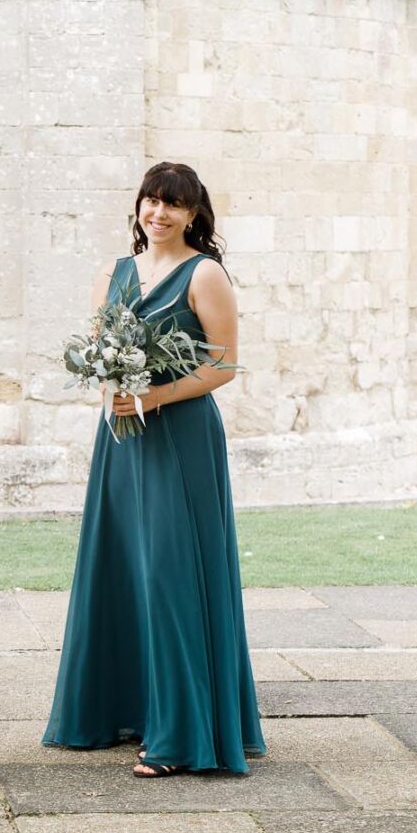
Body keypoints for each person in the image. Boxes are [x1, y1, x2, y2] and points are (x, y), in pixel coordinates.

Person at [42, 161, 265, 777]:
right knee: (120, 569)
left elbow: (223, 366)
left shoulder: (206, 275)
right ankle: (119, 710)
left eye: (173, 204)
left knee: (172, 574)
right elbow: (98, 349)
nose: (159, 213)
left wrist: (155, 397)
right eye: (150, 201)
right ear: (138, 206)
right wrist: (109, 380)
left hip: (179, 437)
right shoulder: (113, 274)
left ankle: (181, 736)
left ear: (194, 214)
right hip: (120, 438)